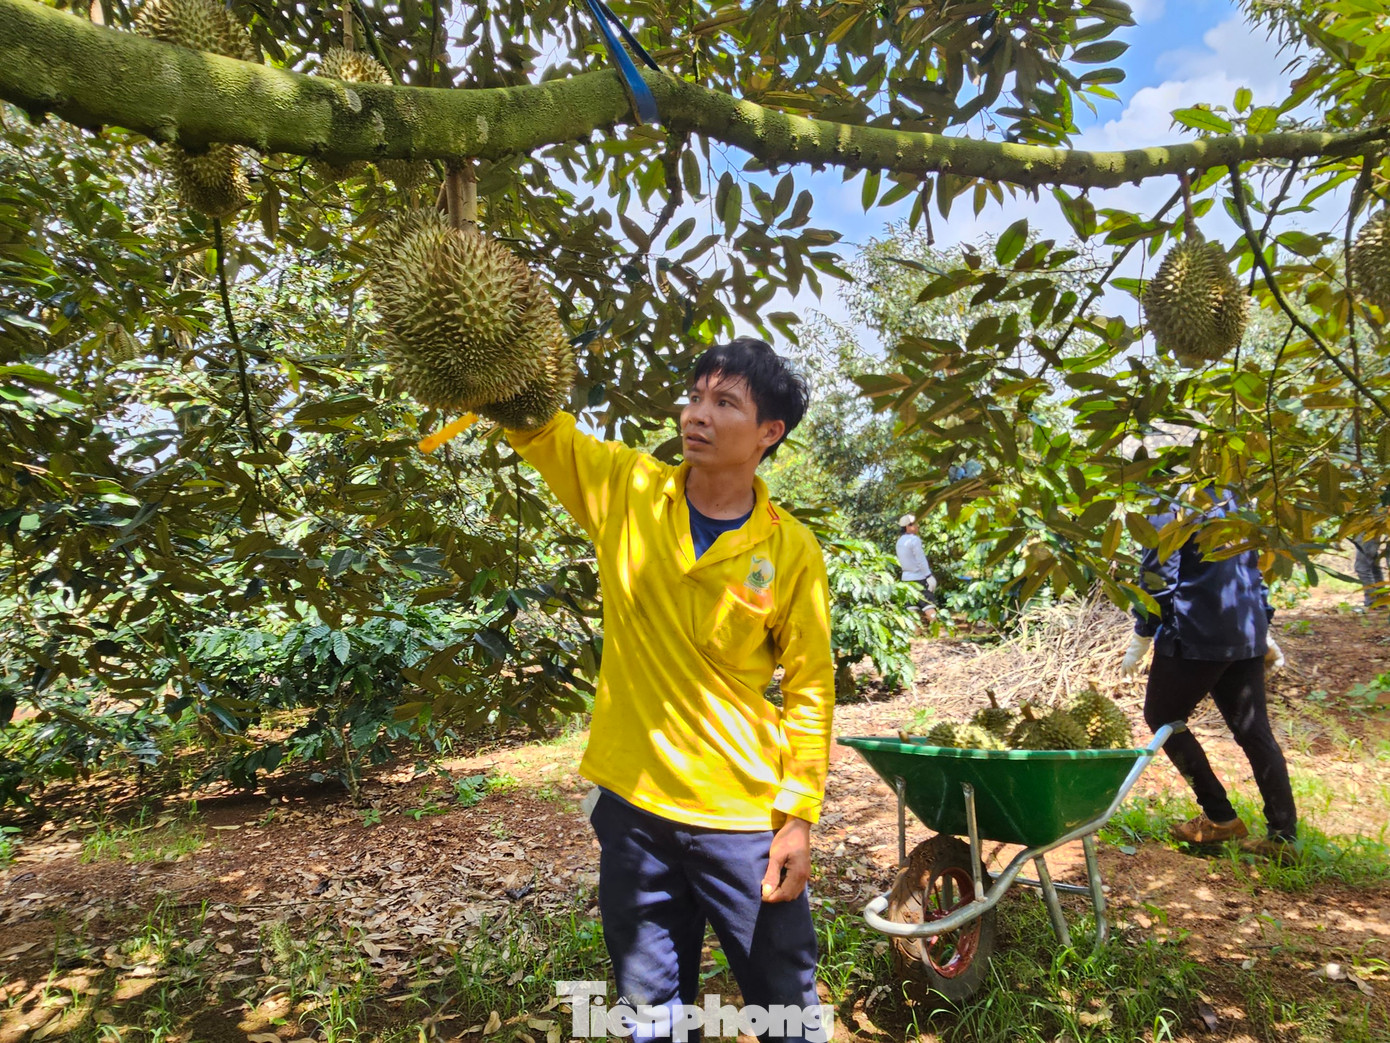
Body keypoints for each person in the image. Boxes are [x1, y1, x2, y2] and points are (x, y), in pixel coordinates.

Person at [503, 337, 834, 1041]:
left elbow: (810, 685)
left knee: (786, 1002)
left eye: (724, 403)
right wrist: (492, 368)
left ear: (768, 432)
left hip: (742, 814)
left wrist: (799, 814)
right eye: (694, 397)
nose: (697, 416)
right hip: (634, 811)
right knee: (651, 1008)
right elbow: (539, 429)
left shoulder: (790, 549)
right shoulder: (628, 490)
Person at [1119, 487, 1297, 862]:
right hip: (1244, 628)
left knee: (1162, 718)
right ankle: (1283, 837)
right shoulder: (1235, 497)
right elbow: (1251, 570)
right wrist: (1261, 623)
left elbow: (1157, 574)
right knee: (1253, 730)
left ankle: (1219, 817)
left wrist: (1143, 631)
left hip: (1197, 631)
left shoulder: (1169, 500)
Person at [895, 513, 937, 621]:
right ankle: (938, 631)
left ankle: (916, 632)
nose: (917, 526)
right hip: (919, 578)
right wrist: (929, 576)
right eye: (914, 524)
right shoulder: (914, 540)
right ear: (907, 527)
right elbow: (921, 559)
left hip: (907, 579)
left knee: (911, 608)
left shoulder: (900, 542)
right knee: (928, 605)